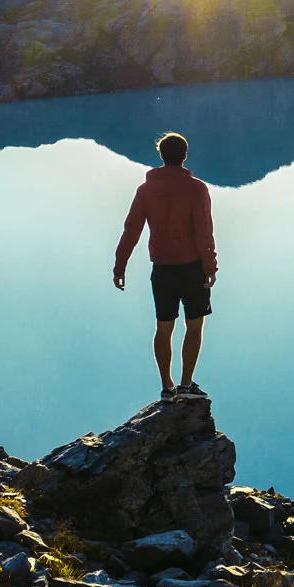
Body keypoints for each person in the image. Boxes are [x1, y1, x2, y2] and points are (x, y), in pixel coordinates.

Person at [113, 132, 217, 401]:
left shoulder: (146, 190)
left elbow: (131, 229)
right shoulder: (197, 188)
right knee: (194, 326)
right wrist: (210, 266)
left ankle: (167, 387)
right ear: (185, 155)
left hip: (162, 269)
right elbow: (204, 232)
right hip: (192, 268)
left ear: (161, 155)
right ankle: (186, 385)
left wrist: (120, 265)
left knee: (163, 327)